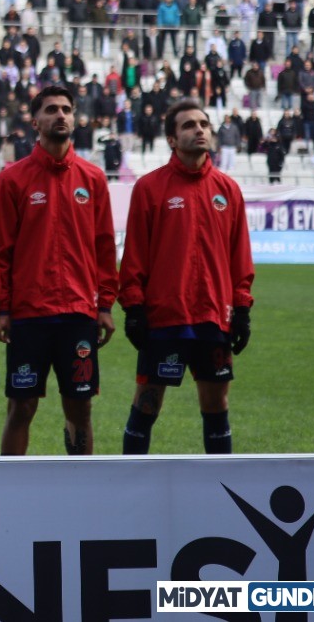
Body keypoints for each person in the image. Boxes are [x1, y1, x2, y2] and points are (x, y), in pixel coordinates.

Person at [119, 100, 254, 456]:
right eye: (189, 125)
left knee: (216, 404)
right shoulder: (150, 188)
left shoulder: (228, 190)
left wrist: (241, 309)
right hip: (166, 318)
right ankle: (129, 486)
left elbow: (240, 257)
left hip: (213, 316)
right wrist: (134, 308)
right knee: (147, 404)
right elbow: (134, 255)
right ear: (171, 139)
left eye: (205, 124)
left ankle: (220, 489)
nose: (200, 130)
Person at [0, 86, 117, 456]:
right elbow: (1, 250)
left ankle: (81, 487)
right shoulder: (13, 179)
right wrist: (1, 308)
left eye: (66, 109)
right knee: (21, 407)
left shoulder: (92, 179)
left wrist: (105, 304)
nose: (60, 115)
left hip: (79, 313)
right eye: (51, 110)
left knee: (80, 406)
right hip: (29, 314)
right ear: (35, 122)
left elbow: (105, 247)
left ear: (75, 118)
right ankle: (10, 488)